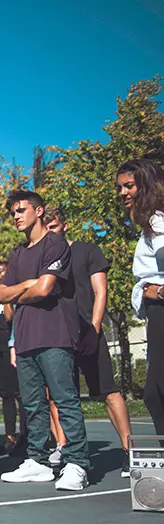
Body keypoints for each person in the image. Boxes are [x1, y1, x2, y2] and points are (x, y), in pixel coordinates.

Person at [0, 191, 89, 490]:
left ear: (39, 211)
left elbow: (46, 289)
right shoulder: (18, 253)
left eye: (21, 210)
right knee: (33, 404)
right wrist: (26, 284)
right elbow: (0, 295)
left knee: (64, 401)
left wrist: (20, 291)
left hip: (54, 335)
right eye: (13, 212)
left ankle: (77, 464)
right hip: (24, 338)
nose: (16, 215)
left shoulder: (56, 244)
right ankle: (38, 461)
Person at [44, 205, 133, 476]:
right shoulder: (43, 258)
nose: (51, 233)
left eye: (54, 227)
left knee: (108, 391)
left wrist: (94, 328)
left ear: (65, 225)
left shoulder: (87, 251)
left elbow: (100, 291)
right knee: (56, 397)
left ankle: (129, 450)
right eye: (46, 229)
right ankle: (65, 447)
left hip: (87, 331)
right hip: (57, 337)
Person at [118, 159, 164, 439]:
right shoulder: (150, 224)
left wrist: (157, 291)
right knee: (154, 392)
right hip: (156, 312)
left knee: (157, 392)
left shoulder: (157, 222)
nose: (122, 193)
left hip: (161, 309)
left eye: (129, 186)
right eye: (120, 187)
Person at [0, 261, 26, 454]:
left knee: (19, 393)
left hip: (9, 343)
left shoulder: (13, 296)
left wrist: (8, 294)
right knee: (5, 394)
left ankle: (25, 434)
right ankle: (9, 435)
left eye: (2, 271)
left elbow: (10, 318)